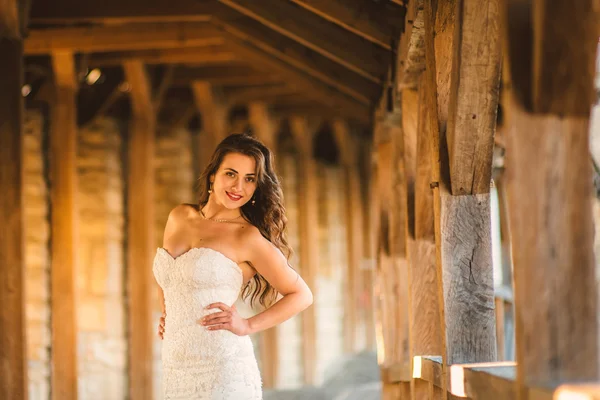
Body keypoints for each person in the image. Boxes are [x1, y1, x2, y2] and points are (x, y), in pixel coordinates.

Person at [153, 133, 313, 399]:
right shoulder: (179, 216)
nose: (239, 186)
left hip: (223, 368)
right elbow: (169, 277)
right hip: (176, 366)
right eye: (231, 174)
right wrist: (169, 315)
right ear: (213, 174)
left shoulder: (246, 237)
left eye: (249, 179)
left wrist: (247, 326)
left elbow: (302, 295)